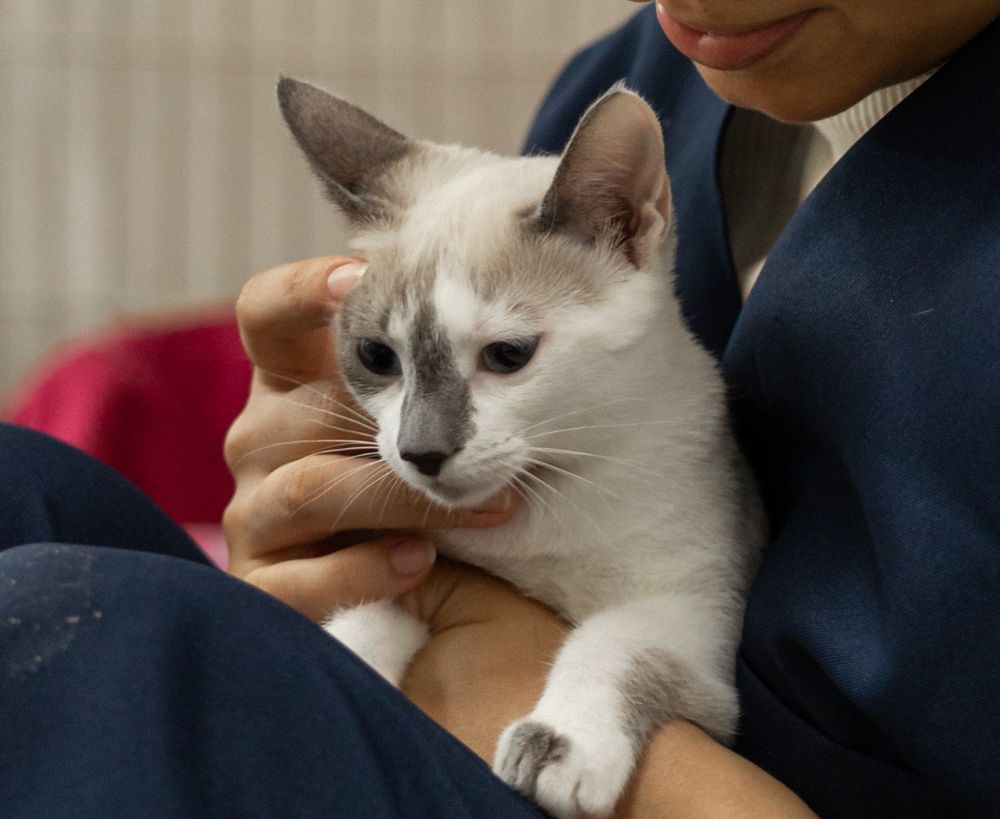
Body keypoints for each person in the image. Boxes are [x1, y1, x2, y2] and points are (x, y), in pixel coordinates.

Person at [2, 1, 999, 816]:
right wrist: (321, 531)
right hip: (455, 671)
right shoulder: (662, 70)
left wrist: (528, 697)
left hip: (643, 766)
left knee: (82, 636)